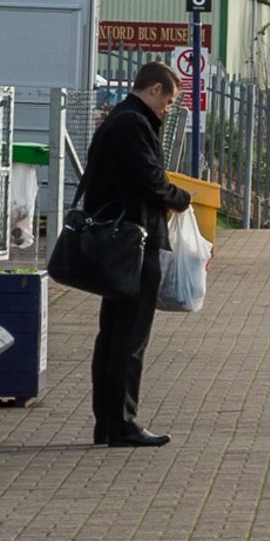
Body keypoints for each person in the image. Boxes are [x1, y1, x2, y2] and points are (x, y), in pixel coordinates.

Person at [80, 59, 180, 446]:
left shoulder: (117, 119)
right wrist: (181, 197)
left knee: (111, 334)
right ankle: (122, 421)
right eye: (167, 102)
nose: (167, 110)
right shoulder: (134, 125)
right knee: (130, 338)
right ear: (153, 89)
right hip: (136, 243)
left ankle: (106, 422)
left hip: (117, 242)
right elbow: (151, 183)